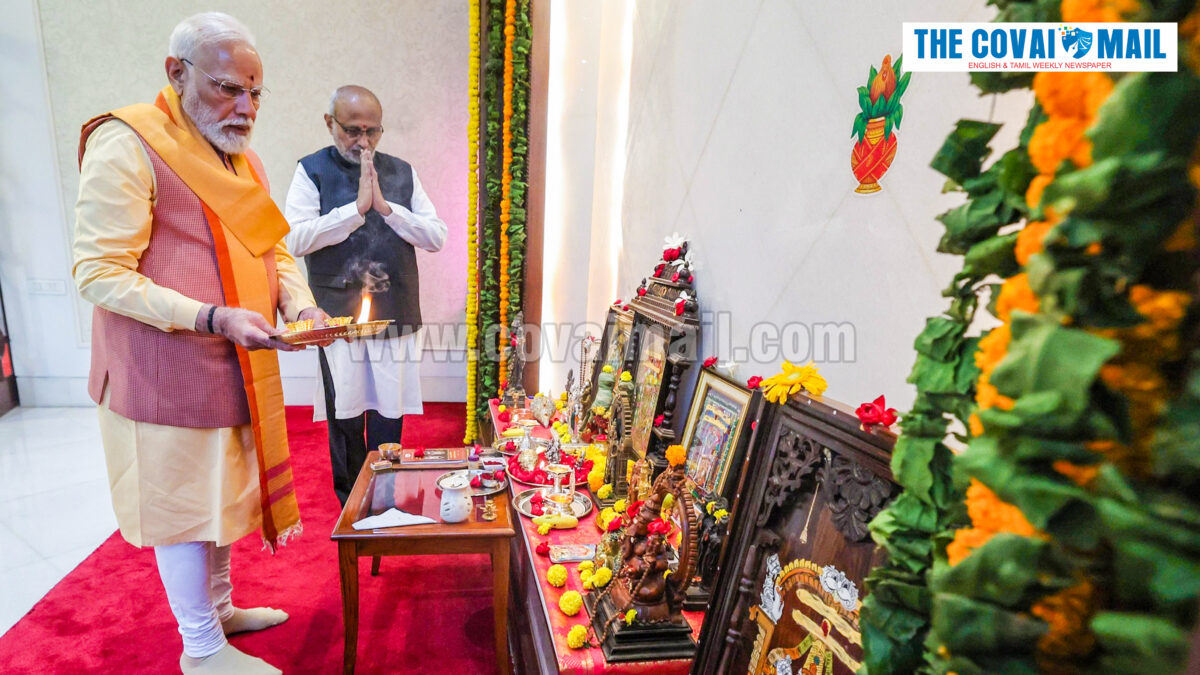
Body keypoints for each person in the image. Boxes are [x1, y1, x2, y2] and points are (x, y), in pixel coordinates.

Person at [72, 12, 332, 674]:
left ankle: (219, 608)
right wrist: (213, 317)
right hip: (161, 372)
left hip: (232, 367)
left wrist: (299, 303)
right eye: (226, 88)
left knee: (216, 497)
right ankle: (201, 647)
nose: (244, 108)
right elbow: (99, 273)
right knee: (184, 509)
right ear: (176, 73)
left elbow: (272, 246)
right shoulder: (126, 144)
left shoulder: (242, 158)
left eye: (254, 92)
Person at [285, 85, 447, 505]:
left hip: (394, 310)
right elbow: (295, 240)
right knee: (345, 412)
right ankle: (351, 499)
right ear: (329, 124)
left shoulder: (402, 171)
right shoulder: (311, 170)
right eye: (352, 130)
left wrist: (387, 208)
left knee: (388, 411)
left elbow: (435, 237)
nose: (364, 141)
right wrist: (353, 211)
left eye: (373, 131)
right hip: (337, 317)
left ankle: (385, 493)